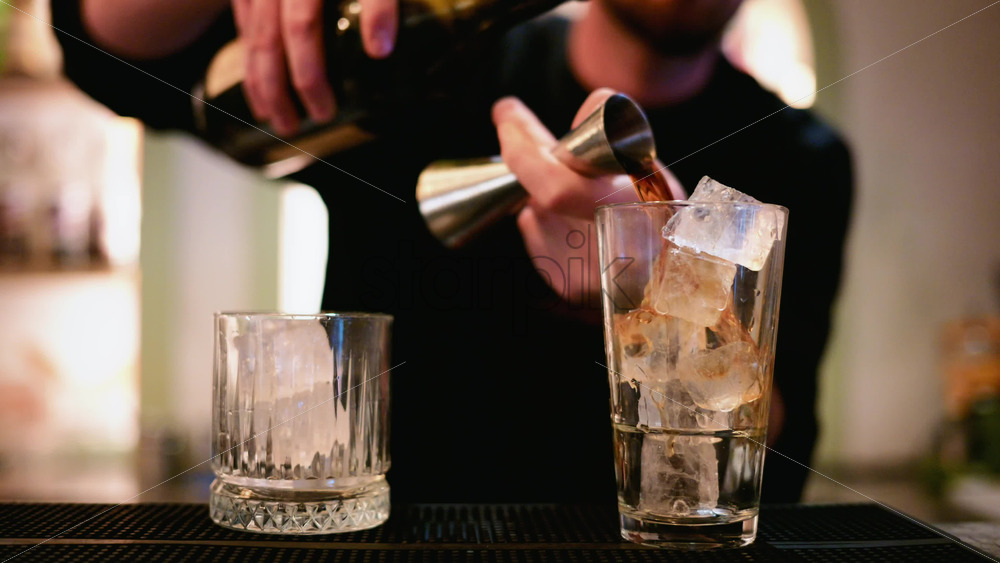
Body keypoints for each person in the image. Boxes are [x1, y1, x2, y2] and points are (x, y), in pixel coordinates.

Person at [54, 0, 852, 503]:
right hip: (394, 532)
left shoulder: (804, 160)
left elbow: (776, 458)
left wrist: (646, 294)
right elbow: (108, 56)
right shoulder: (434, 57)